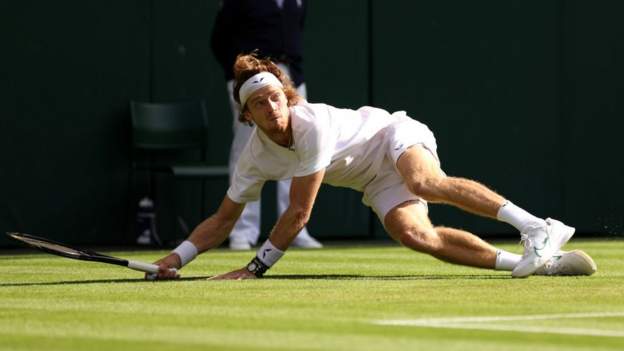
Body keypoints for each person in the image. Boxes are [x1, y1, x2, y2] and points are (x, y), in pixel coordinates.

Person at [149, 54, 597, 280]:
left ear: (287, 98)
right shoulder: (255, 157)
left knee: (425, 181)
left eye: (275, 97)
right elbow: (223, 219)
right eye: (259, 104)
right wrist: (177, 259)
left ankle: (537, 227)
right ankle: (535, 265)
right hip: (370, 176)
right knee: (415, 235)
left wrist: (254, 268)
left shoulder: (312, 125)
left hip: (391, 136)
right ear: (247, 116)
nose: (272, 107)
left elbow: (299, 214)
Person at [211, 0, 322, 250]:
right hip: (250, 82)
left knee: (297, 145)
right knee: (245, 149)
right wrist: (237, 78)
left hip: (291, 77)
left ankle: (295, 229)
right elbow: (219, 40)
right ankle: (242, 232)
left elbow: (296, 30)